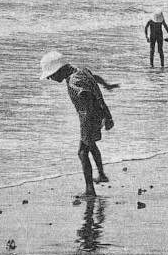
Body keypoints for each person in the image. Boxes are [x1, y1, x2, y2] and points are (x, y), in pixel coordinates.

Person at [40, 51, 119, 197]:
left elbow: (86, 97)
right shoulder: (81, 70)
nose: (51, 78)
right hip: (98, 114)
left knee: (82, 152)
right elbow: (95, 79)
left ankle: (90, 190)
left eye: (51, 75)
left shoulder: (73, 82)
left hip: (89, 118)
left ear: (59, 70)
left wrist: (86, 122)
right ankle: (101, 174)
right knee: (91, 146)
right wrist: (106, 87)